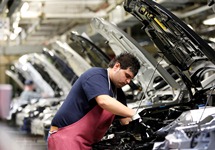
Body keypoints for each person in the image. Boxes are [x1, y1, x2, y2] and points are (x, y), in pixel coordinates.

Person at [48, 52, 141, 150]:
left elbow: (125, 120)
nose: (128, 82)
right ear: (116, 66)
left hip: (87, 143)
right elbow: (104, 101)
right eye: (127, 75)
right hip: (66, 138)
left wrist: (139, 128)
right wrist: (133, 113)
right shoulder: (96, 75)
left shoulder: (118, 93)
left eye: (131, 79)